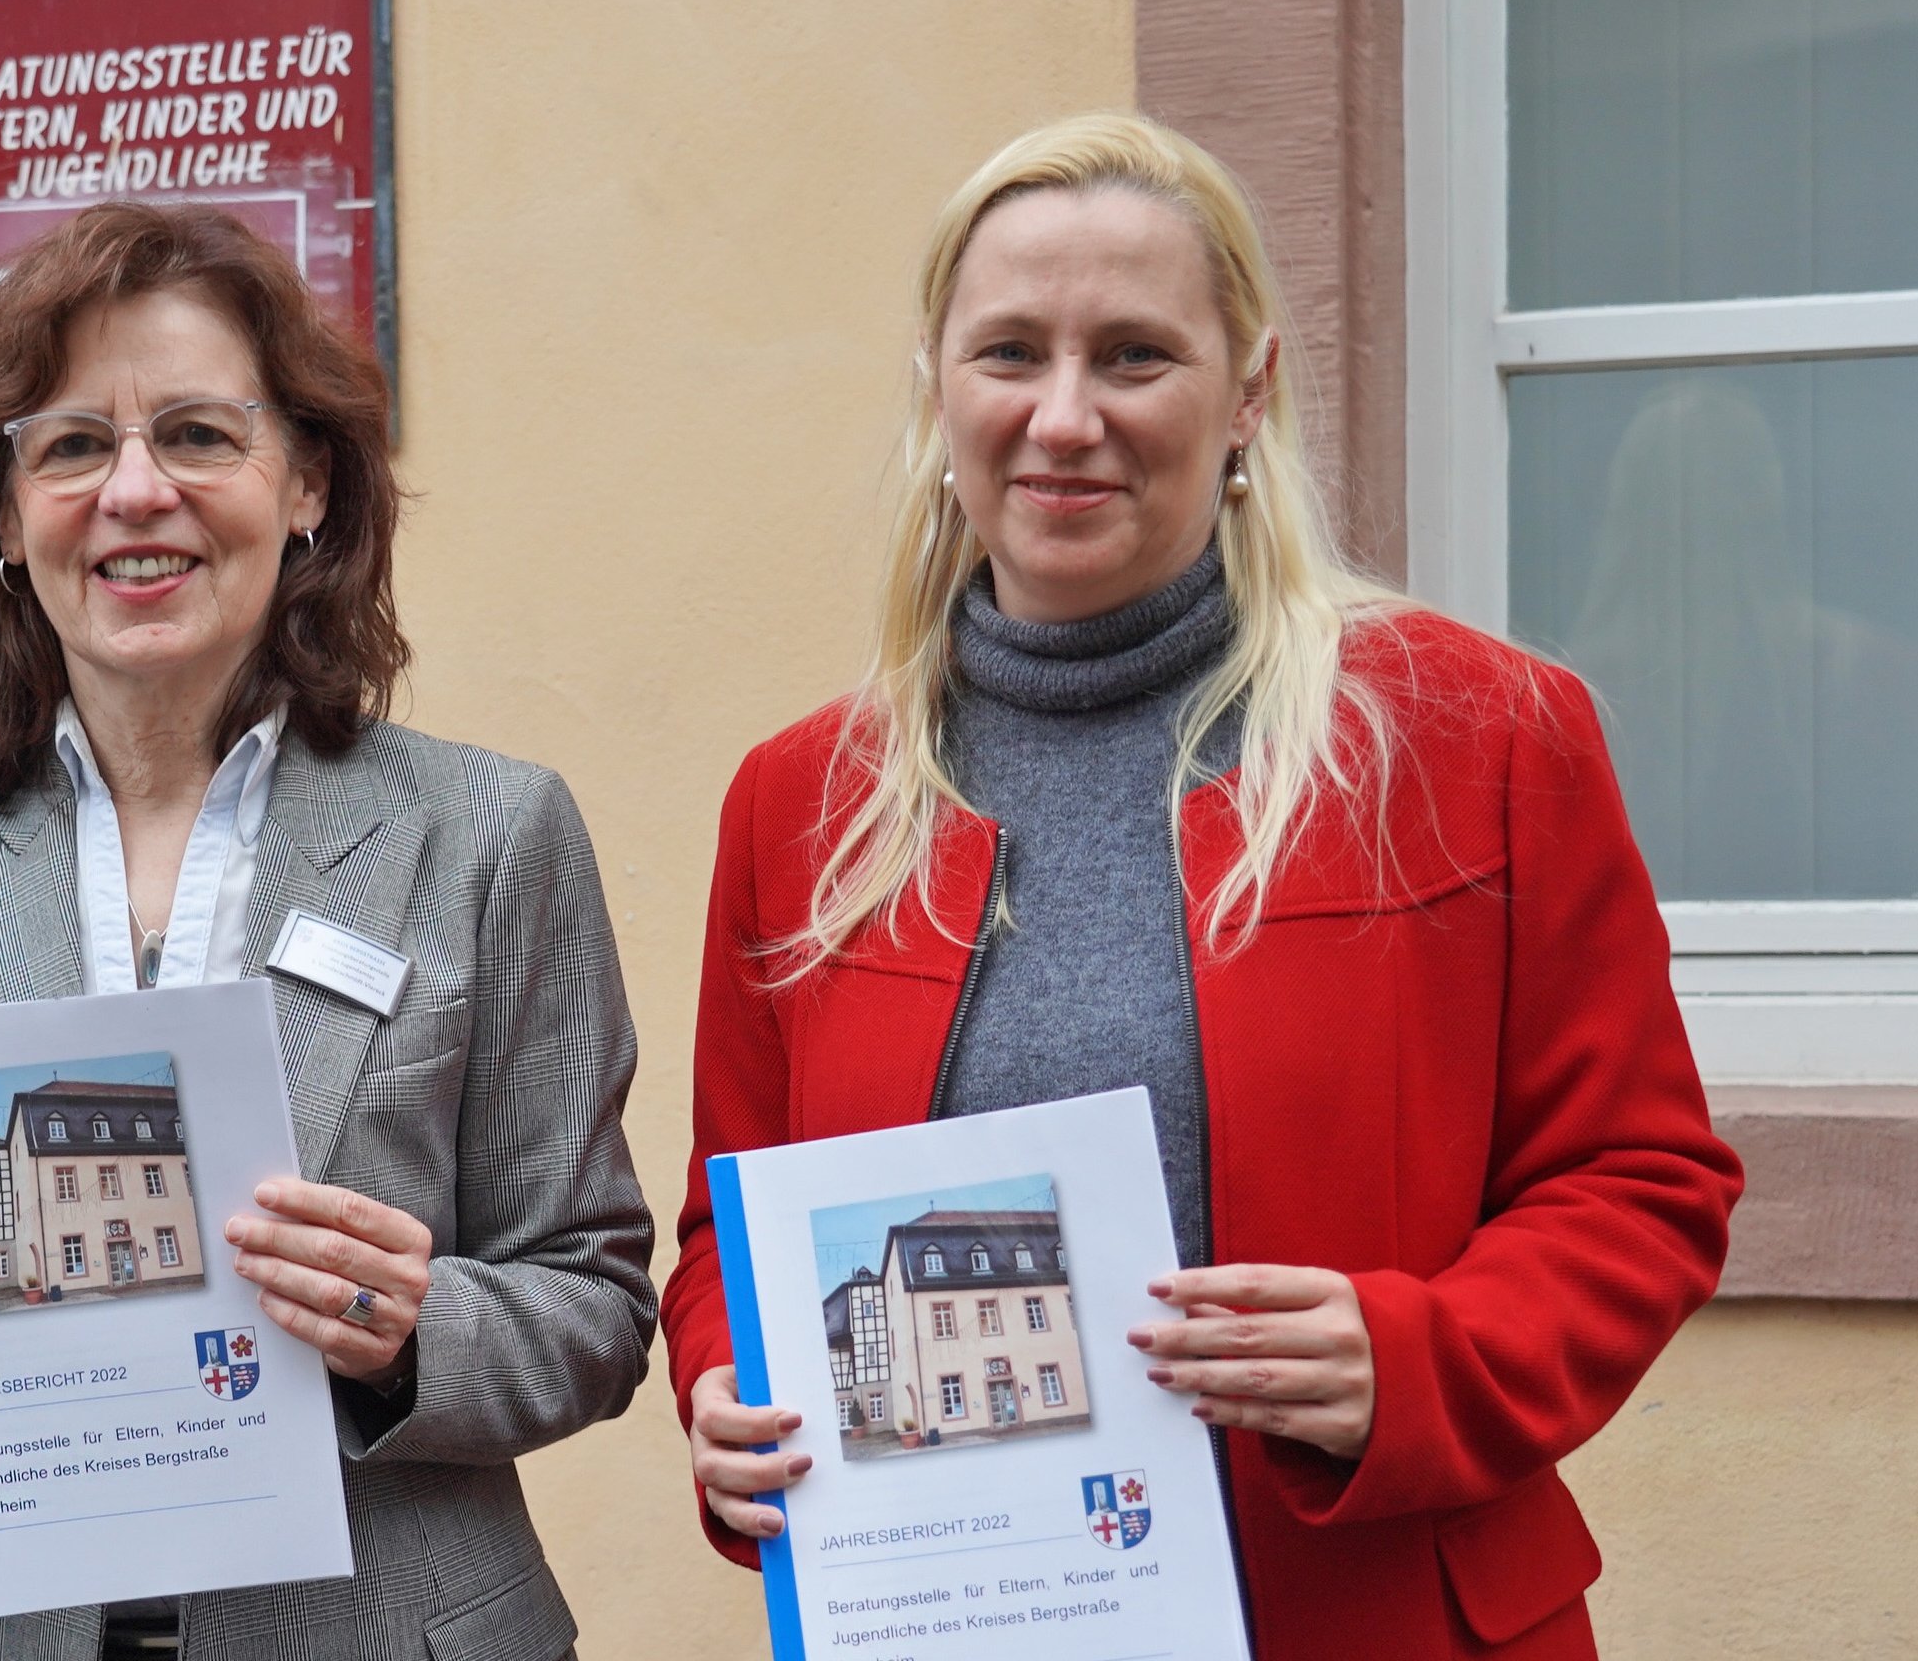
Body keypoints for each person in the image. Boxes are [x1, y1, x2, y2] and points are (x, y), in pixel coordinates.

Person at [660, 114, 1740, 1660]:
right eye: (1010, 352)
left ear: (1248, 395)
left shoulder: (1472, 735)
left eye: (1134, 356)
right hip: (964, 1617)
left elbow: (1639, 1183)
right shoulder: (803, 802)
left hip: (1382, 1613)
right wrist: (725, 1393)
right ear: (934, 388)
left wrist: (1419, 1356)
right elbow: (730, 1228)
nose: (1062, 417)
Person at [0, 202, 655, 1661]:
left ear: (304, 484)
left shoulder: (489, 835)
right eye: (71, 448)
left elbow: (594, 1301)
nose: (134, 493)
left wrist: (411, 1328)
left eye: (196, 436)